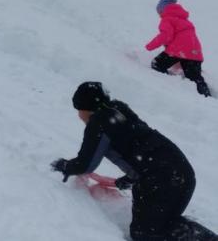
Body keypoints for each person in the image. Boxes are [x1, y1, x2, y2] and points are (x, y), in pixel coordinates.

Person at [51, 82, 216, 241]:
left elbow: (86, 164)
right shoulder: (118, 110)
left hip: (163, 180)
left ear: (85, 108)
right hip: (181, 173)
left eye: (78, 110)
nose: (79, 115)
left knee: (144, 233)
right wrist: (130, 179)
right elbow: (140, 146)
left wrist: (64, 166)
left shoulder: (99, 122)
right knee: (164, 224)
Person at [146, 0, 210, 97]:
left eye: (159, 12)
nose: (159, 15)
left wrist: (150, 46)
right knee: (195, 78)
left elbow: (166, 36)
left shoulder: (167, 19)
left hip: (178, 50)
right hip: (195, 53)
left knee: (157, 64)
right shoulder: (184, 20)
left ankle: (170, 86)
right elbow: (183, 38)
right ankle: (207, 98)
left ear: (163, 10)